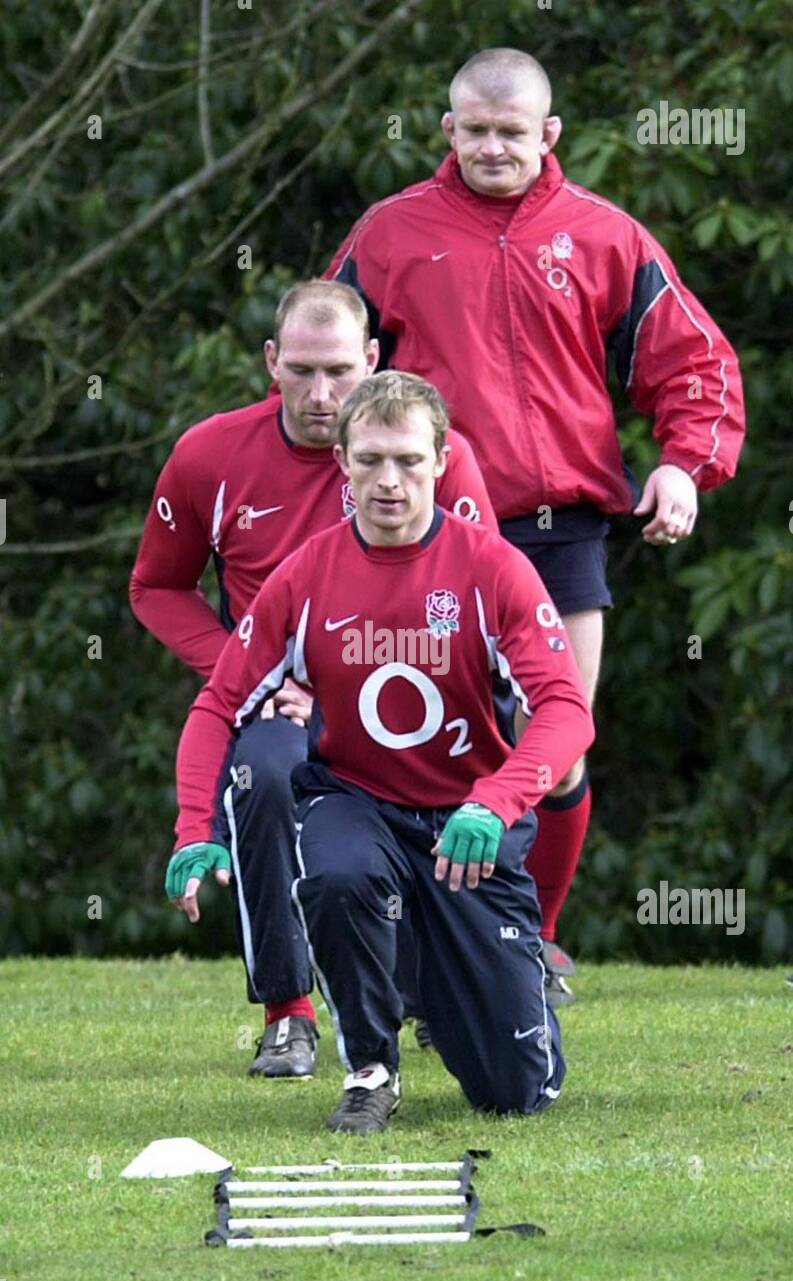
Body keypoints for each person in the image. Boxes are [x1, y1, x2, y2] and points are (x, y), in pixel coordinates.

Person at [326, 48, 745, 1003]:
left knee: (556, 745)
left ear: (547, 134)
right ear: (448, 130)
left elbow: (697, 366)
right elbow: (330, 371)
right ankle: (422, 953)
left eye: (510, 133)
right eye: (473, 131)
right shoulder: (390, 235)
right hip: (428, 536)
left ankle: (531, 941)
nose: (490, 148)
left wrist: (682, 463)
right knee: (431, 752)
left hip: (562, 534)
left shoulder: (603, 236)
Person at [165, 372, 594, 1132]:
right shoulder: (306, 576)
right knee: (334, 872)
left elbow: (564, 709)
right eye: (368, 461)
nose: (387, 481)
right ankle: (370, 1067)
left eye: (406, 459)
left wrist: (494, 801)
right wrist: (196, 830)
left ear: (440, 462)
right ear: (343, 466)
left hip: (469, 824)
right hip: (355, 799)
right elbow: (215, 707)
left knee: (513, 1091)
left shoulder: (491, 568)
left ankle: (455, 985)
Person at [131, 281, 496, 1078]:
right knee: (262, 775)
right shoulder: (207, 455)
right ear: (271, 363)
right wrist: (250, 670)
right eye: (300, 370)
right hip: (274, 693)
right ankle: (287, 1014)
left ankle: (440, 985)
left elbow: (476, 597)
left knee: (445, 771)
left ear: (371, 359)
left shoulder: (438, 453)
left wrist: (355, 677)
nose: (321, 392)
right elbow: (156, 587)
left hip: (408, 691)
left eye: (337, 369)